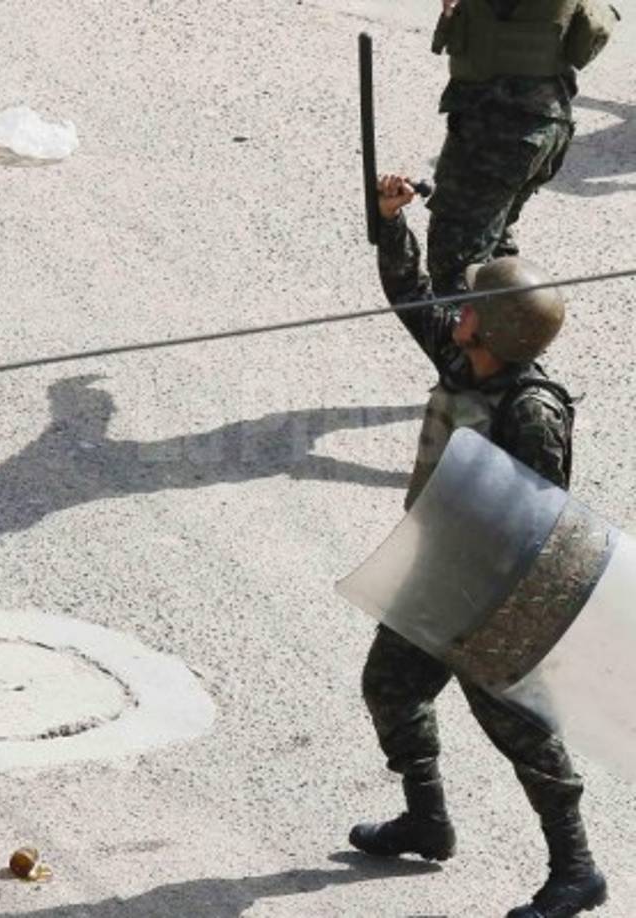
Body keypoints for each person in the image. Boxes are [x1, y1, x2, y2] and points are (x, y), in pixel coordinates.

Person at [349, 173, 606, 918]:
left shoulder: (529, 413)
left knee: (520, 731)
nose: (455, 313)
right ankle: (426, 821)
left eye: (471, 311)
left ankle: (575, 871)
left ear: (492, 336)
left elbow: (537, 524)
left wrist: (495, 618)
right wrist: (389, 222)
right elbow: (411, 296)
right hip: (437, 573)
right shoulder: (465, 361)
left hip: (492, 595)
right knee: (390, 688)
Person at [427, 0, 620, 295]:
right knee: (493, 255)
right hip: (544, 122)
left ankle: (483, 337)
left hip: (498, 130)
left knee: (457, 268)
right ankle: (516, 332)